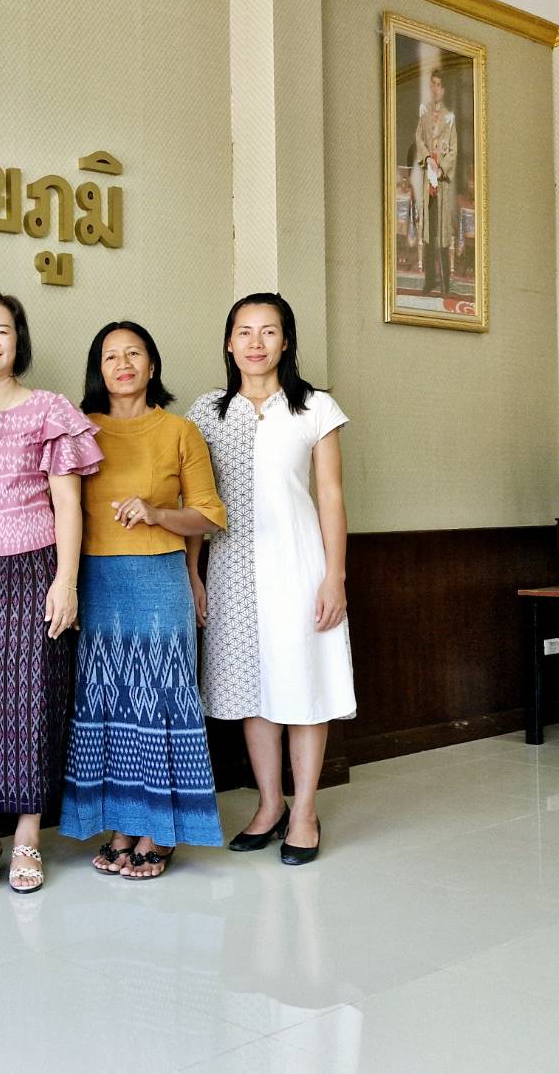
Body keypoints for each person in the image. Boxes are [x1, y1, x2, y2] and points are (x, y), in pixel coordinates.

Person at [0, 290, 102, 894]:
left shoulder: (50, 409)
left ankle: (28, 838)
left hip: (34, 568)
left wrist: (66, 581)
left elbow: (68, 504)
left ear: (18, 340)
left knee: (34, 701)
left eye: (1, 330)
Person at [186, 292, 354, 865]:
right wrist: (193, 574)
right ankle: (269, 804)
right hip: (231, 567)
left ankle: (304, 811)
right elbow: (194, 502)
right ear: (229, 342)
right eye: (244, 331)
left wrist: (335, 577)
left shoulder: (315, 407)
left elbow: (330, 495)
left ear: (286, 342)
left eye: (269, 331)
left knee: (302, 685)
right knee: (251, 689)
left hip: (299, 566)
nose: (255, 343)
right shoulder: (207, 411)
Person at [59, 320, 226, 879]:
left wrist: (157, 515)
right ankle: (123, 824)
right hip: (97, 581)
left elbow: (208, 515)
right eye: (111, 356)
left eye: (134, 353)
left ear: (152, 366)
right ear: (98, 369)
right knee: (109, 704)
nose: (123, 364)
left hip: (160, 579)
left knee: (159, 701)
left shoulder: (180, 431)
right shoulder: (78, 428)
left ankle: (159, 830)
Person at [414, 67, 457, 297]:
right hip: (427, 182)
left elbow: (454, 150)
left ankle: (446, 282)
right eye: (432, 84)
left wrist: (440, 168)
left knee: (442, 232)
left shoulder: (449, 118)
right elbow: (419, 138)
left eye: (439, 85)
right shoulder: (425, 112)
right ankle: (429, 280)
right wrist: (428, 158)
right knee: (429, 233)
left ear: (444, 89)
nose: (435, 88)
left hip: (441, 181)